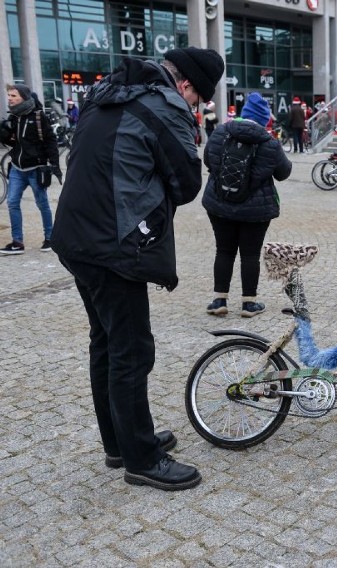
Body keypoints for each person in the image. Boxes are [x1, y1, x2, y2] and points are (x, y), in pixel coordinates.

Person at [51, 47, 225, 491]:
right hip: (114, 243)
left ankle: (121, 443)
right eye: (198, 100)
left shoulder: (110, 89)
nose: (195, 107)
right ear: (186, 85)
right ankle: (141, 459)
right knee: (131, 349)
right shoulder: (163, 107)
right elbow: (187, 183)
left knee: (106, 341)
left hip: (75, 234)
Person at [203, 92, 292, 318]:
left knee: (223, 250)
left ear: (244, 114)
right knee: (250, 255)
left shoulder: (222, 132)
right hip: (255, 210)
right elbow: (284, 172)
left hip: (220, 204)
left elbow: (208, 159)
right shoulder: (269, 142)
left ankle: (219, 300)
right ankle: (248, 304)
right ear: (264, 120)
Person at [0, 84, 62, 255]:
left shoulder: (38, 116)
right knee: (12, 203)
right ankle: (17, 242)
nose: (10, 98)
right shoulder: (14, 116)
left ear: (24, 97)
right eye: (9, 95)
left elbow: (50, 141)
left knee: (42, 204)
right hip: (17, 169)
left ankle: (50, 238)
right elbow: (14, 142)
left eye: (13, 95)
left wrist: (54, 165)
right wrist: (4, 134)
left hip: (36, 168)